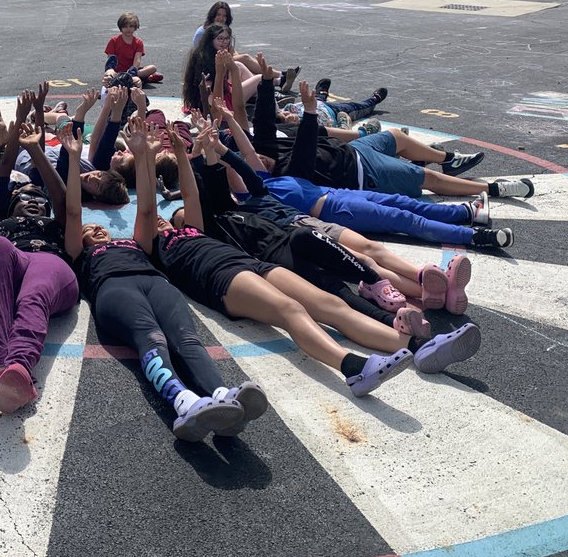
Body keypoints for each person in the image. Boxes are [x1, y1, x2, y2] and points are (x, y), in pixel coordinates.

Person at [154, 121, 481, 393]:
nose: (183, 216)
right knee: (337, 298)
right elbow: (192, 194)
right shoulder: (208, 229)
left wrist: (213, 149)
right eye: (182, 219)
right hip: (275, 258)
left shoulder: (231, 205)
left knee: (331, 248)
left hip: (290, 238)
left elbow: (224, 177)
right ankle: (414, 339)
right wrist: (185, 156)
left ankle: (375, 282)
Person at [62, 118, 262, 441]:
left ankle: (222, 395)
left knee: (187, 339)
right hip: (114, 288)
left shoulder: (138, 243)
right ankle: (184, 402)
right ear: (79, 240)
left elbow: (146, 210)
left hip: (154, 282)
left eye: (97, 226)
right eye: (88, 230)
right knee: (151, 338)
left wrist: (144, 156)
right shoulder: (80, 256)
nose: (96, 228)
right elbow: (73, 212)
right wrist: (73, 159)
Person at [221, 84, 516, 249]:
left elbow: (246, 146)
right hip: (336, 210)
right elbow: (235, 161)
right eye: (246, 164)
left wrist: (228, 118)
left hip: (342, 194)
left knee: (402, 203)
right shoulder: (254, 192)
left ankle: (466, 213)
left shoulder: (262, 171)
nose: (254, 158)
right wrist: (219, 152)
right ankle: (476, 237)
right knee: (404, 220)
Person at [244, 61, 533, 201]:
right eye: (258, 166)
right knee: (426, 179)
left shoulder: (264, 149)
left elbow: (265, 124)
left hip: (353, 151)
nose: (261, 159)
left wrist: (266, 82)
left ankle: (449, 160)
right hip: (362, 174)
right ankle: (494, 189)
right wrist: (309, 112)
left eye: (255, 156)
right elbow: (304, 152)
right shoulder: (286, 176)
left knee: (396, 137)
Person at [0, 102, 80, 414]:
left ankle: (20, 365)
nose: (34, 200)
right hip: (14, 264)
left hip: (50, 264)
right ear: (11, 206)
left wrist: (35, 150)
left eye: (39, 198)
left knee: (35, 290)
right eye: (24, 195)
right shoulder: (3, 227)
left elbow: (62, 199)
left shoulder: (54, 225)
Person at [104, 12, 162, 84]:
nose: (128, 29)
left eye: (131, 26)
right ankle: (145, 78)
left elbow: (137, 60)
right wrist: (111, 71)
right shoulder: (114, 41)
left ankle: (128, 78)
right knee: (108, 73)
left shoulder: (138, 42)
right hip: (116, 72)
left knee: (153, 68)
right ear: (120, 27)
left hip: (131, 71)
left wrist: (133, 71)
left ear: (135, 27)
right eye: (125, 27)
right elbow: (111, 59)